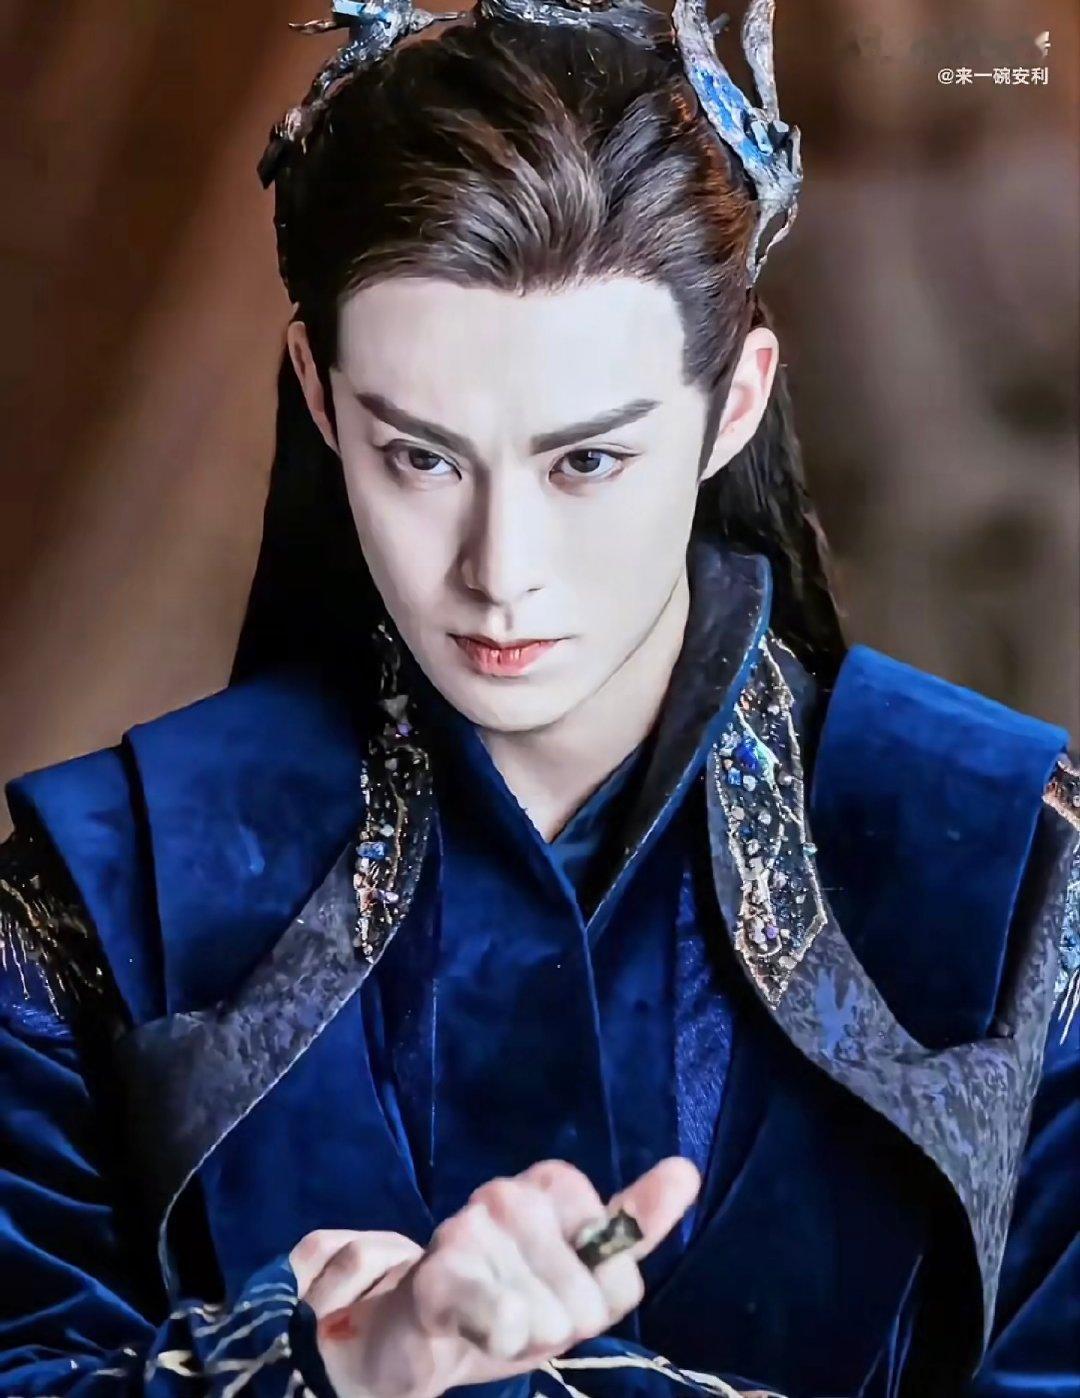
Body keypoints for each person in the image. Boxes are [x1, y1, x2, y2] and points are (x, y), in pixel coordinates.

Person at [0, 0, 1076, 1394]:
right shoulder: (108, 894)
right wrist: (340, 1363)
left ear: (736, 402)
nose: (499, 572)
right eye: (422, 458)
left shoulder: (1011, 869)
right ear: (321, 399)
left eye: (586, 463)